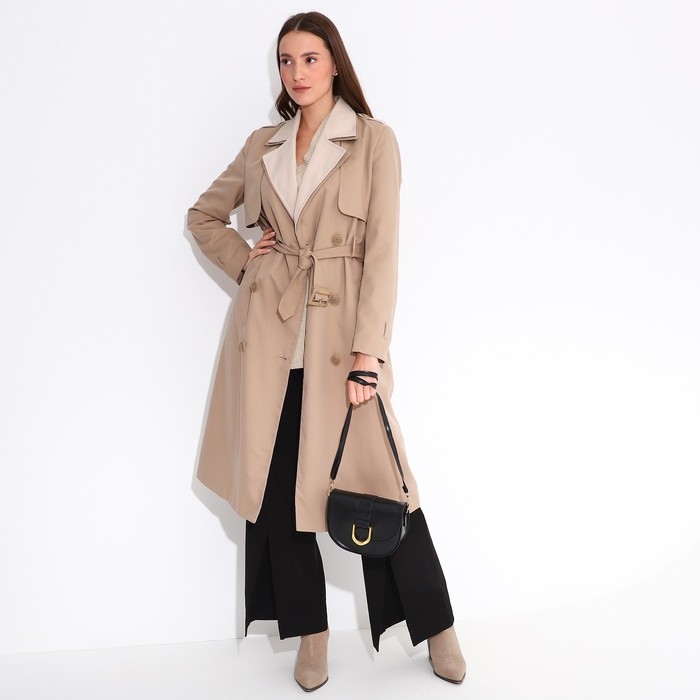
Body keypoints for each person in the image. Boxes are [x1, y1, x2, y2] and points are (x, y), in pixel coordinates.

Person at [186, 11, 466, 692]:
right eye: (285, 61)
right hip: (270, 342)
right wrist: (248, 260)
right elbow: (203, 216)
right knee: (279, 495)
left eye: (309, 58)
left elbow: (383, 256)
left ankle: (437, 627)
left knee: (383, 486)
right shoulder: (263, 145)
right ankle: (311, 635)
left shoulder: (372, 140)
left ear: (334, 63)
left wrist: (370, 354)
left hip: (343, 345)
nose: (296, 72)